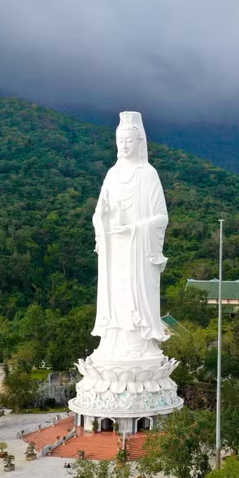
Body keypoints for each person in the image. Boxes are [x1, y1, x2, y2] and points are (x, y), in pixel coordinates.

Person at [91, 111, 169, 360]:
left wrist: (134, 228)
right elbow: (99, 212)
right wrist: (101, 217)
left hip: (138, 251)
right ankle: (113, 342)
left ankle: (139, 343)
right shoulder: (112, 175)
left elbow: (161, 217)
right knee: (115, 297)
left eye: (129, 140)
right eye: (120, 140)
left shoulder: (148, 174)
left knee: (136, 296)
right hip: (115, 250)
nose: (124, 145)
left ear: (140, 142)